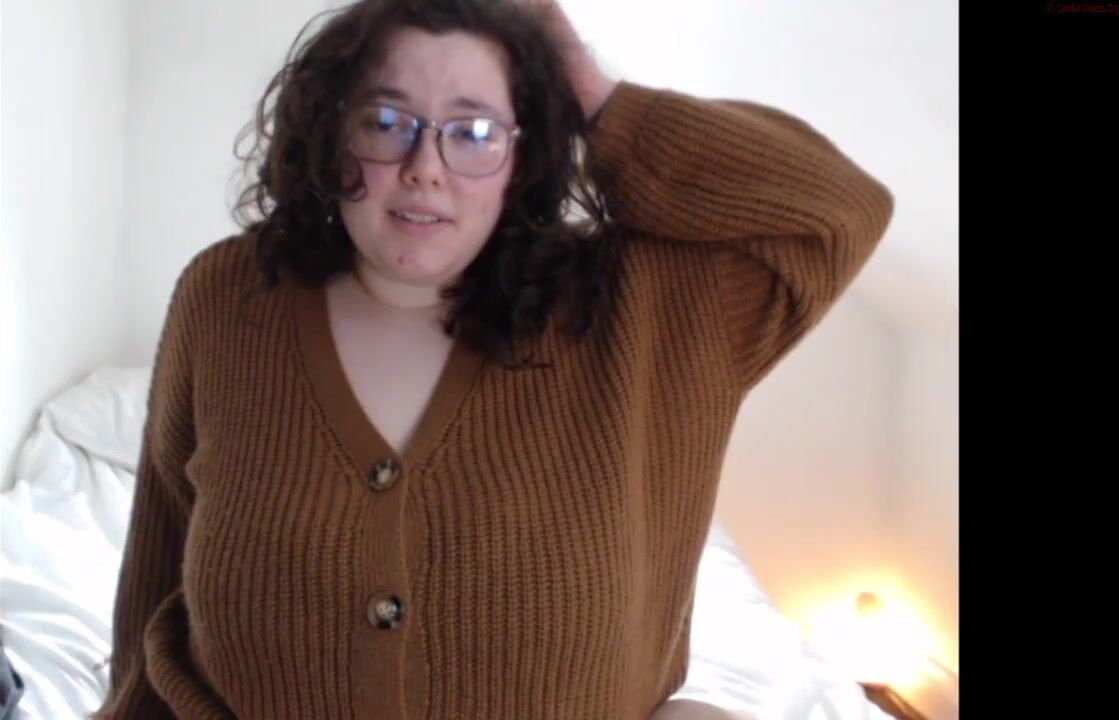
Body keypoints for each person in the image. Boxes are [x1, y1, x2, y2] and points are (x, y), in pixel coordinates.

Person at [93, 0, 894, 718]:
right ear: (332, 132)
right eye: (385, 120)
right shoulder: (228, 298)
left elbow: (834, 212)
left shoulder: (644, 309)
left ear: (526, 155)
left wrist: (591, 91)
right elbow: (159, 575)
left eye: (473, 131)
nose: (425, 167)